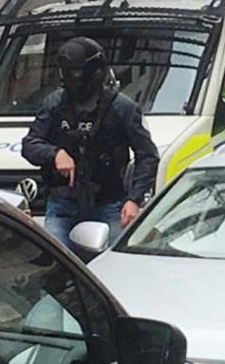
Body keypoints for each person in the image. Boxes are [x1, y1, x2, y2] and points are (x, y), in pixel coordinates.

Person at [21, 37, 159, 250]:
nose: (72, 78)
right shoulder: (54, 104)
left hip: (109, 203)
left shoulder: (121, 108)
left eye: (77, 72)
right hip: (63, 204)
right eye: (67, 72)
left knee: (115, 265)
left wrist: (134, 199)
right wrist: (55, 154)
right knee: (52, 263)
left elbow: (148, 155)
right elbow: (29, 145)